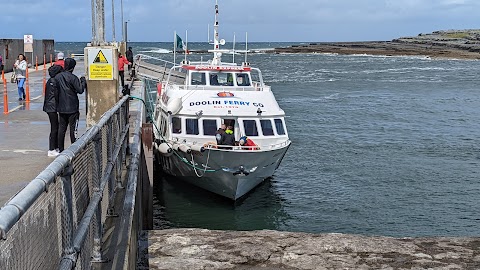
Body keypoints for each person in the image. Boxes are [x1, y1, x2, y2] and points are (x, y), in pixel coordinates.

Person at [55, 58, 87, 152]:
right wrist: (83, 81)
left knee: (62, 128)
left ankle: (60, 149)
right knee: (73, 128)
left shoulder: (58, 77)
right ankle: (74, 148)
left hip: (61, 106)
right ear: (73, 67)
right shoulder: (73, 77)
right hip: (72, 106)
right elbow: (80, 90)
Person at [43, 64, 64, 157]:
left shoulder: (51, 81)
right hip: (52, 107)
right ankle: (51, 149)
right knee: (54, 128)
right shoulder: (53, 81)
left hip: (50, 107)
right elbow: (56, 95)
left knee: (56, 127)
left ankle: (55, 147)